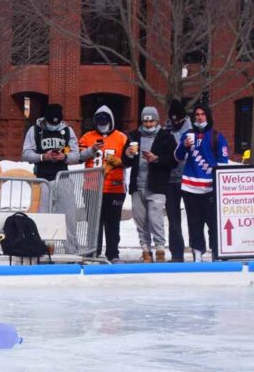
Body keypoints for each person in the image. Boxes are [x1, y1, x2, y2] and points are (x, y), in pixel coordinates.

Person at [22, 103, 83, 253]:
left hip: (62, 177)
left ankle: (71, 251)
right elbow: (25, 153)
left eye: (56, 123)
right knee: (43, 217)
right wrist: (43, 156)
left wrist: (65, 156)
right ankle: (44, 250)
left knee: (68, 217)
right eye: (51, 123)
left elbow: (77, 154)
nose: (54, 126)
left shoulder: (68, 130)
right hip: (42, 179)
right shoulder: (34, 130)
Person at [175, 104, 229, 262]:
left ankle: (216, 253)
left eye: (203, 114)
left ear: (208, 116)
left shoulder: (217, 136)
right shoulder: (187, 135)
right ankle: (197, 254)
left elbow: (223, 163)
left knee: (214, 224)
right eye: (197, 114)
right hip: (190, 188)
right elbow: (177, 157)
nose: (199, 117)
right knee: (194, 224)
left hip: (210, 189)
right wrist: (184, 147)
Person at [124, 106, 177, 263]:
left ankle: (160, 249)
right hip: (138, 185)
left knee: (155, 219)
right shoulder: (134, 136)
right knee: (140, 220)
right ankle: (146, 250)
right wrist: (127, 154)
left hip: (157, 184)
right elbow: (125, 161)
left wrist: (157, 159)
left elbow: (173, 160)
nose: (148, 124)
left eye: (151, 120)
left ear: (157, 120)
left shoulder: (166, 136)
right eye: (145, 121)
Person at [79, 105, 128, 262]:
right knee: (94, 222)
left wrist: (121, 161)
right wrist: (91, 150)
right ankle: (94, 250)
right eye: (99, 119)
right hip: (92, 186)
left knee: (113, 223)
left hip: (115, 187)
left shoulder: (121, 138)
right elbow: (79, 156)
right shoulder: (87, 137)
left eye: (105, 118)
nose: (102, 122)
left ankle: (113, 253)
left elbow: (131, 158)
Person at [164, 100, 192, 262]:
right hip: (170, 180)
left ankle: (197, 250)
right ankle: (177, 253)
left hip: (189, 179)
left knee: (195, 217)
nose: (175, 123)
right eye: (173, 120)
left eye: (178, 120)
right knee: (173, 219)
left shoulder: (192, 131)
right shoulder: (165, 131)